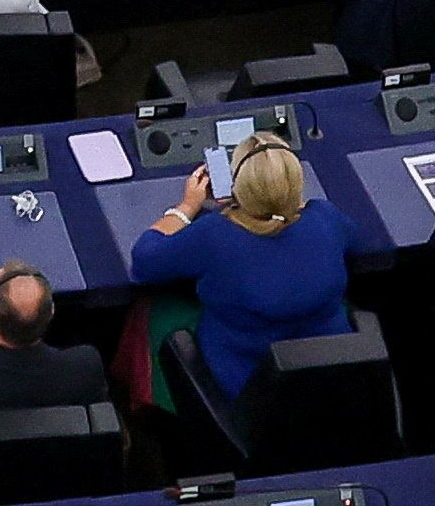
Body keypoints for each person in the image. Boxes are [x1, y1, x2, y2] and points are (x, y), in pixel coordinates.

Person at [126, 137, 354, 415]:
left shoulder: (215, 234)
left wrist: (186, 207)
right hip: (332, 377)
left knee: (153, 311)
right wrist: (283, 205)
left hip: (250, 390)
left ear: (239, 185)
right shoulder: (326, 218)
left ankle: (146, 418)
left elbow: (145, 261)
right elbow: (359, 241)